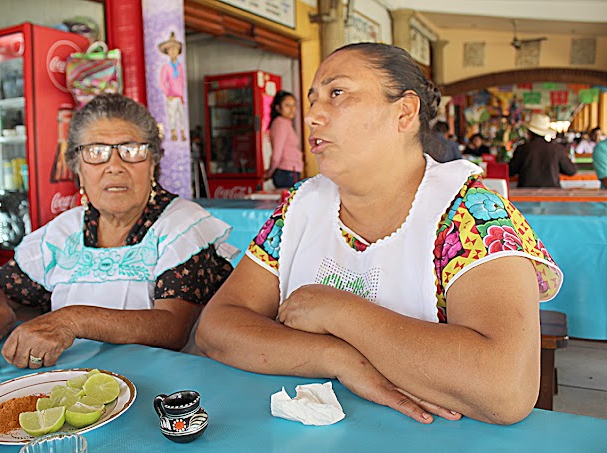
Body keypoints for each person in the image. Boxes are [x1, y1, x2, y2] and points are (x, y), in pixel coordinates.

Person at [196, 43, 562, 426]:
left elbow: (505, 389)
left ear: (404, 112)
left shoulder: (471, 215)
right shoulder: (299, 208)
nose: (313, 115)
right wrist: (338, 358)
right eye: (312, 99)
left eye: (337, 93)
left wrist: (335, 310)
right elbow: (217, 327)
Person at [0, 93, 236, 369]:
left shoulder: (183, 227)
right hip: (77, 392)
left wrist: (72, 320)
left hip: (166, 391)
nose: (115, 166)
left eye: (131, 150)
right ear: (77, 166)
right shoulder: (62, 233)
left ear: (152, 162)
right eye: (96, 152)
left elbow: (171, 328)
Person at [509, 113, 577, 187]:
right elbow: (571, 171)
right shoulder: (557, 149)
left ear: (529, 132)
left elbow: (511, 171)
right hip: (553, 195)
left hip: (525, 194)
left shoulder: (522, 149)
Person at [264, 90, 304, 188]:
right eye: (287, 105)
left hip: (290, 172)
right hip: (286, 173)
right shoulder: (280, 123)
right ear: (278, 108)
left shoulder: (286, 123)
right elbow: (276, 154)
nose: (292, 109)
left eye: (293, 105)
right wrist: (270, 172)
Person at [158, 31, 187, 142]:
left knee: (182, 116)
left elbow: (182, 82)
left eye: (175, 49)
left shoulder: (179, 67)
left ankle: (183, 133)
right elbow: (162, 82)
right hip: (172, 96)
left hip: (179, 96)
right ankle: (174, 133)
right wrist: (167, 94)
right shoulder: (166, 67)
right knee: (172, 116)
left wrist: (182, 96)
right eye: (171, 49)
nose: (173, 51)